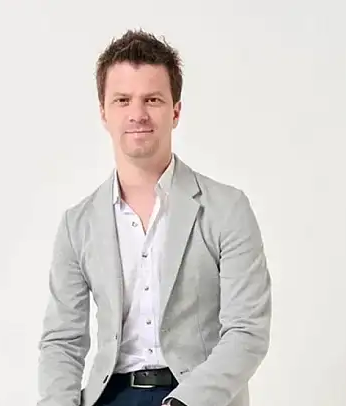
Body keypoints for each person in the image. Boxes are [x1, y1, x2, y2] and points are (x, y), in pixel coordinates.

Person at [37, 29, 272, 406]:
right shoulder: (76, 225)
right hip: (109, 395)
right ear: (103, 112)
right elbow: (62, 342)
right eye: (122, 100)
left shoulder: (227, 209)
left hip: (195, 397)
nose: (137, 114)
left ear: (175, 111)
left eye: (152, 99)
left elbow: (247, 332)